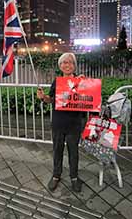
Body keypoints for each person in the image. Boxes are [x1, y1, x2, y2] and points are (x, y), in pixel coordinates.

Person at [37, 53, 83, 192]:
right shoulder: (57, 82)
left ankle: (74, 177)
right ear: (60, 66)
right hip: (58, 121)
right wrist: (43, 97)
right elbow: (51, 99)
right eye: (63, 62)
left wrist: (83, 83)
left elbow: (89, 98)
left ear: (74, 65)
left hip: (74, 122)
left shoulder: (81, 81)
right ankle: (56, 175)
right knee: (57, 150)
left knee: (73, 151)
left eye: (69, 62)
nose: (66, 65)